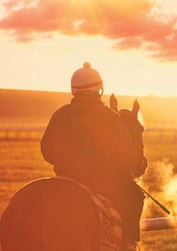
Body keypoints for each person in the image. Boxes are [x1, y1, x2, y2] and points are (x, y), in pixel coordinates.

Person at [40, 62, 147, 250]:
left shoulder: (60, 114)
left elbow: (47, 151)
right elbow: (129, 159)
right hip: (101, 185)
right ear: (100, 89)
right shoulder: (110, 117)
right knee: (135, 195)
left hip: (63, 180)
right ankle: (128, 245)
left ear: (74, 90)